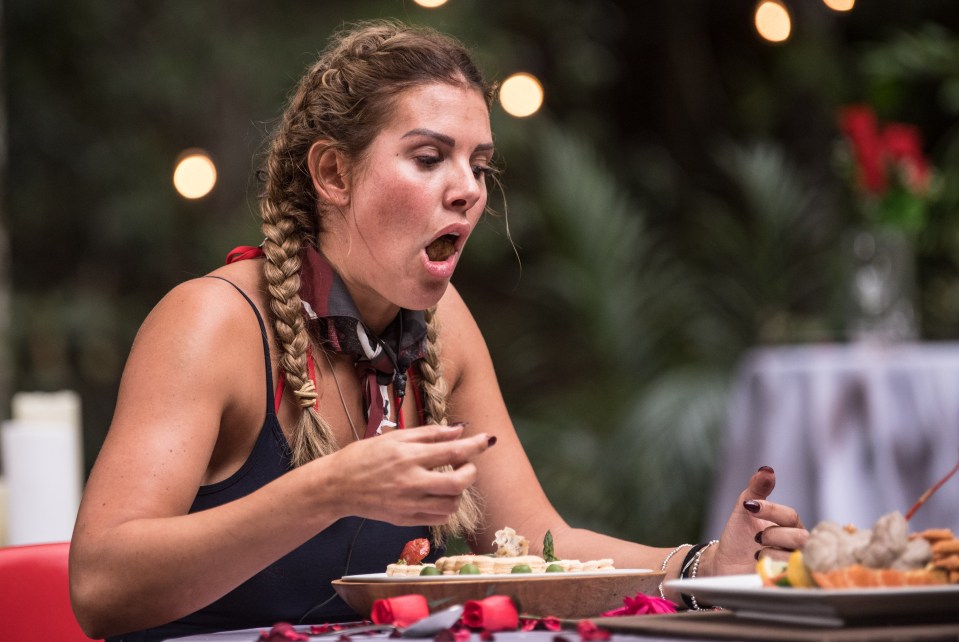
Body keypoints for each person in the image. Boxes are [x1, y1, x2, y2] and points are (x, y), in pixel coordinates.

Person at [69, 19, 808, 641]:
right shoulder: (212, 322)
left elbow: (535, 547)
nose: (467, 190)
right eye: (428, 158)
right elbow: (101, 587)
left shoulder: (444, 326)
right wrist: (328, 489)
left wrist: (694, 569)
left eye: (479, 165)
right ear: (332, 173)